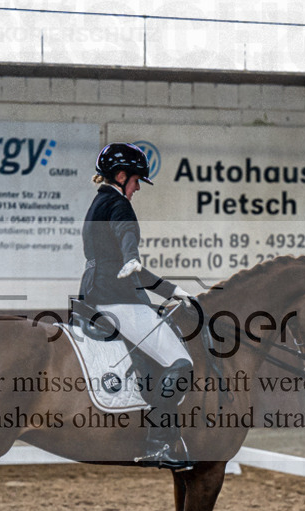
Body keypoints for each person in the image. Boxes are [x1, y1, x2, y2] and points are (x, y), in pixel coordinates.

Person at [79, 142, 194, 470]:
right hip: (117, 299)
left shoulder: (97, 203)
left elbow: (130, 270)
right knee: (181, 363)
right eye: (136, 180)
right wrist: (132, 256)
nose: (138, 187)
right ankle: (158, 443)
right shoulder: (118, 205)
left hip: (97, 292)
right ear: (120, 176)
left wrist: (173, 290)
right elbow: (126, 235)